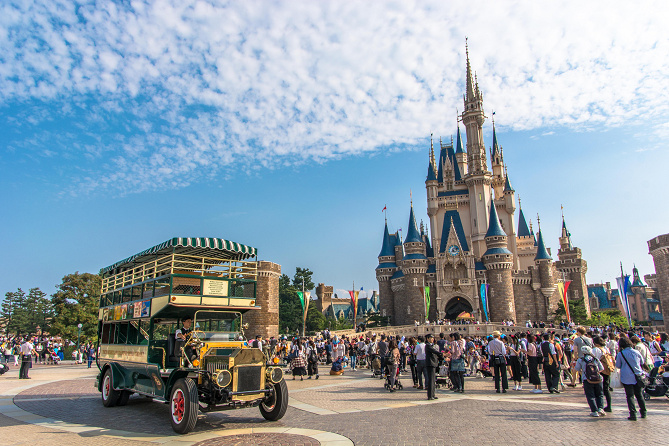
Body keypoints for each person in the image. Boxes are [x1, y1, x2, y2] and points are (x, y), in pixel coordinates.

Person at [616, 336, 647, 420]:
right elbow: (642, 362)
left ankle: (633, 414)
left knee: (630, 396)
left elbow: (618, 365)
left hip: (627, 377)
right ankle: (643, 412)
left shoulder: (621, 354)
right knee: (639, 395)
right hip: (638, 375)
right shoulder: (636, 352)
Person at [574, 346, 605, 417]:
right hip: (598, 379)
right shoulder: (595, 359)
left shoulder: (581, 360)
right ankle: (600, 408)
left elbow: (577, 368)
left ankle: (594, 411)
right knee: (599, 394)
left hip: (587, 379)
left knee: (590, 396)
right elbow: (601, 368)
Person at [424, 334, 443, 400]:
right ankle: (430, 395)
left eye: (433, 338)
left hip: (433, 363)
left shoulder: (432, 345)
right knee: (431, 380)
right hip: (430, 364)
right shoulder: (428, 345)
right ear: (427, 339)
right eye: (431, 338)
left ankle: (433, 394)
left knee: (433, 380)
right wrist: (441, 353)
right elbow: (434, 351)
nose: (432, 339)